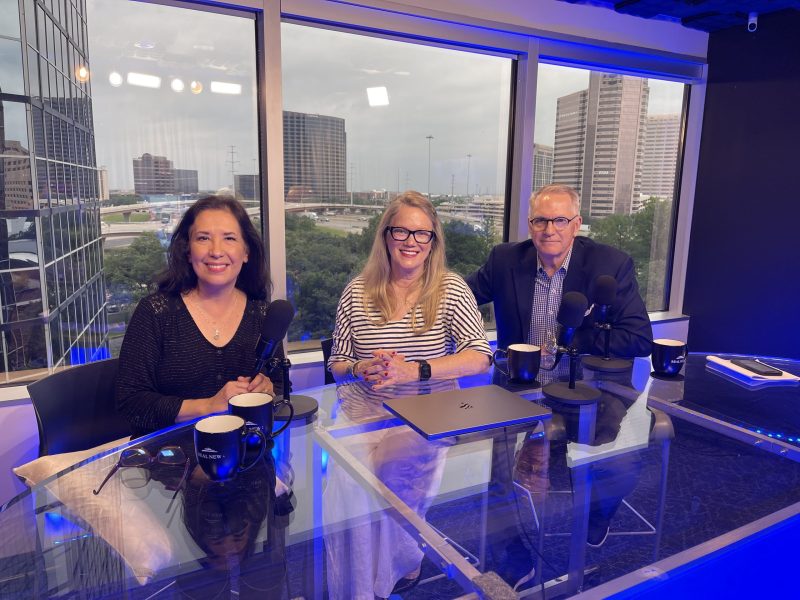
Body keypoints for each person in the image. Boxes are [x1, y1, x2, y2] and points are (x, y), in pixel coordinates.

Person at [116, 195, 281, 438]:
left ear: (246, 252)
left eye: (229, 238)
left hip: (244, 456)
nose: (216, 251)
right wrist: (208, 406)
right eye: (203, 238)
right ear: (187, 250)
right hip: (167, 461)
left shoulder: (263, 314)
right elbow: (131, 403)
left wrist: (268, 389)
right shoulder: (156, 312)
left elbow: (280, 387)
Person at [466, 183, 652, 360]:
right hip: (515, 382)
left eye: (560, 221)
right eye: (540, 221)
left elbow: (639, 339)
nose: (549, 230)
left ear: (576, 225)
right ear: (530, 225)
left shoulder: (611, 266)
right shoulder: (504, 260)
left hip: (580, 386)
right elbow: (457, 296)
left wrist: (564, 345)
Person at [328, 190, 492, 388]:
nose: (410, 242)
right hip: (371, 415)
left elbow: (481, 358)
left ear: (432, 242)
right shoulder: (355, 292)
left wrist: (414, 370)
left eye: (422, 233)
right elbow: (338, 367)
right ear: (386, 236)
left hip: (433, 415)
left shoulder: (452, 289)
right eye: (401, 231)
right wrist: (358, 368)